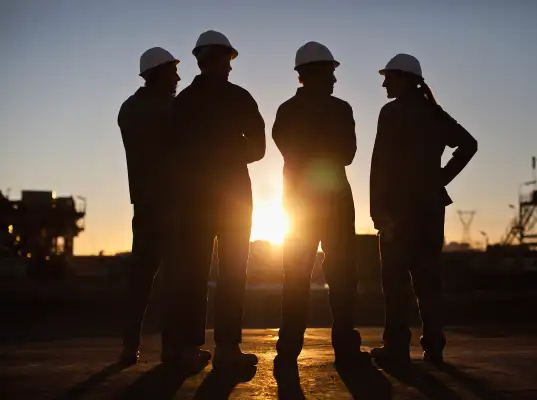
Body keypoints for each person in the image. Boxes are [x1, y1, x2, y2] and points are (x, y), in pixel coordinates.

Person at [163, 30, 266, 371]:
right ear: (216, 59)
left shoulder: (186, 103)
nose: (228, 67)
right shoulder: (234, 99)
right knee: (223, 272)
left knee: (205, 272)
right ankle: (221, 348)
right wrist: (229, 150)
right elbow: (257, 148)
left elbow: (174, 154)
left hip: (209, 199)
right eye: (226, 60)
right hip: (226, 198)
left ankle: (204, 347)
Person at [369, 53, 478, 367]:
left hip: (398, 212)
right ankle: (434, 348)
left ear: (404, 78)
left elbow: (380, 166)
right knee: (429, 282)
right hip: (431, 210)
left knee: (395, 282)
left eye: (388, 77)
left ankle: (397, 349)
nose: (384, 82)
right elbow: (468, 144)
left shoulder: (391, 113)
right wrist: (439, 179)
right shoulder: (433, 113)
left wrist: (378, 212)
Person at [272, 41, 369, 367]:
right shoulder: (340, 110)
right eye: (330, 72)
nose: (334, 80)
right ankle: (344, 348)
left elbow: (292, 150)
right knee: (341, 275)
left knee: (296, 276)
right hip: (333, 204)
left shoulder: (287, 112)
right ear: (313, 74)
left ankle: (288, 350)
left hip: (299, 206)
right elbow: (346, 154)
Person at [116, 47, 181, 365]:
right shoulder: (173, 108)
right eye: (173, 72)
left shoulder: (128, 109)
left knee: (141, 277)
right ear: (158, 73)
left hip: (143, 205)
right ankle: (173, 349)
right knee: (177, 279)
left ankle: (130, 345)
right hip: (173, 204)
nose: (178, 77)